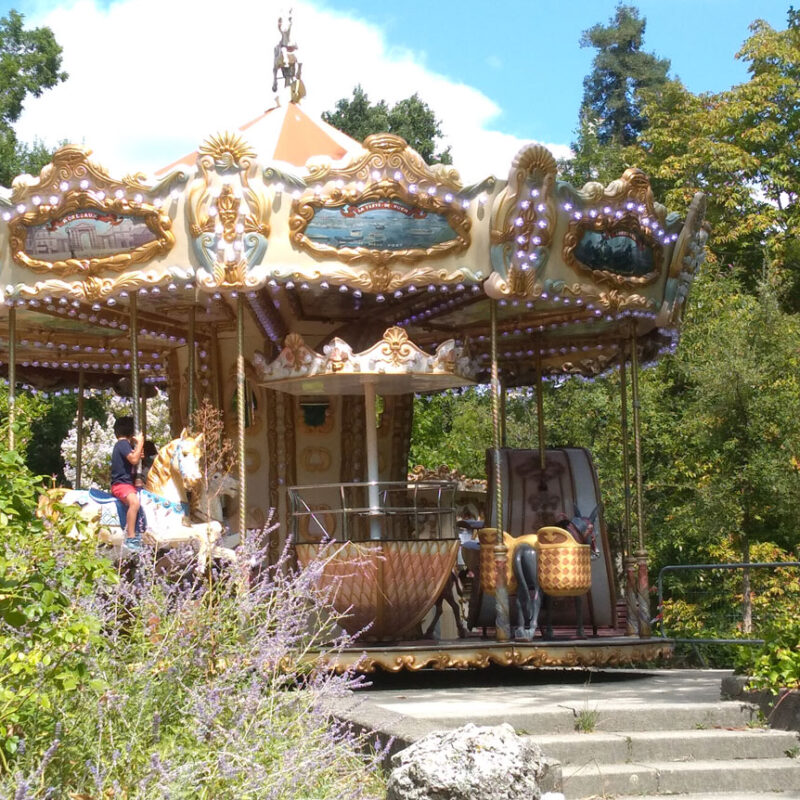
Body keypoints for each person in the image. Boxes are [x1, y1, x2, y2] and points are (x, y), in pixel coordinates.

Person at [110, 416, 145, 549]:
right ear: (131, 432)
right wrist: (140, 443)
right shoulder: (123, 443)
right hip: (121, 484)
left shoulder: (122, 445)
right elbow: (134, 460)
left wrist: (137, 452)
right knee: (134, 503)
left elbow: (133, 458)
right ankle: (131, 537)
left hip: (125, 484)